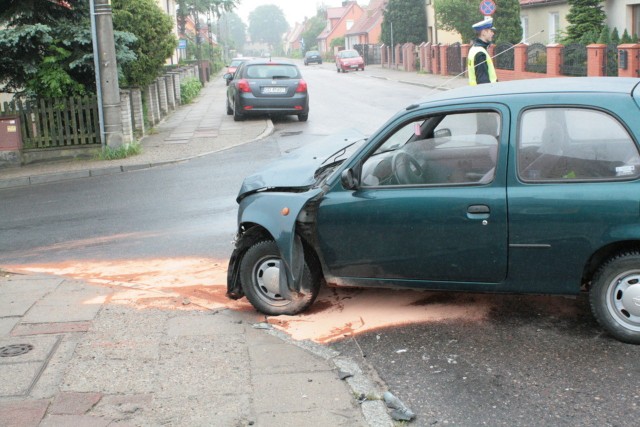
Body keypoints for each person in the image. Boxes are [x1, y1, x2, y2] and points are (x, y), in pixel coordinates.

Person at [468, 17, 497, 85]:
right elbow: (483, 82)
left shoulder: (474, 48)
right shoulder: (480, 53)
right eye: (491, 31)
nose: (493, 33)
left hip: (476, 92)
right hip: (485, 92)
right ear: (483, 32)